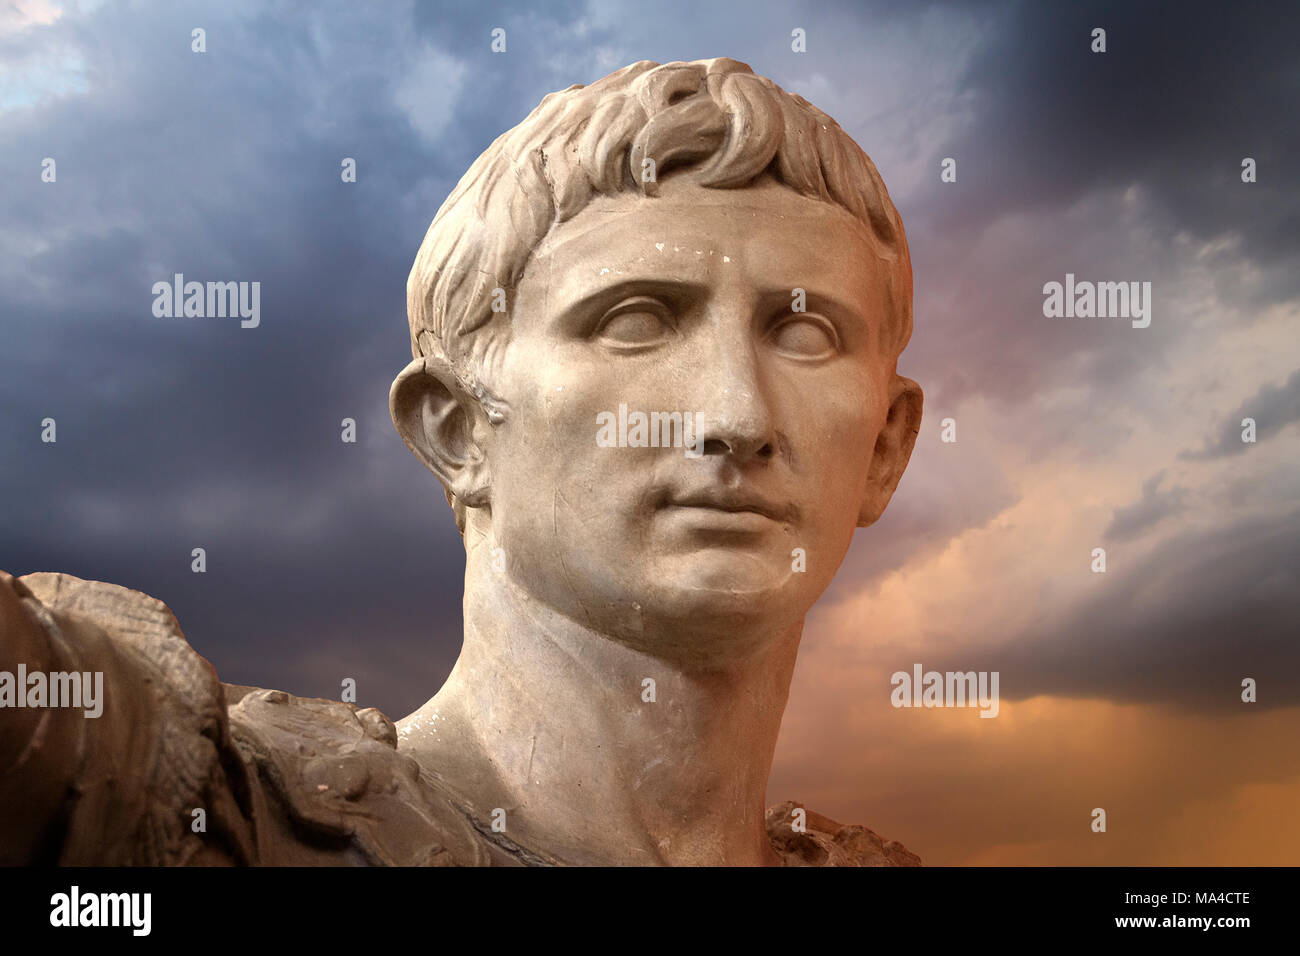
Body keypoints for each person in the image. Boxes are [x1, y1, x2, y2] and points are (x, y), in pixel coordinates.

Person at [1, 57, 923, 867]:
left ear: (886, 445)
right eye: (636, 321)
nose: (735, 415)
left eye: (805, 332)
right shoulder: (208, 812)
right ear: (456, 429)